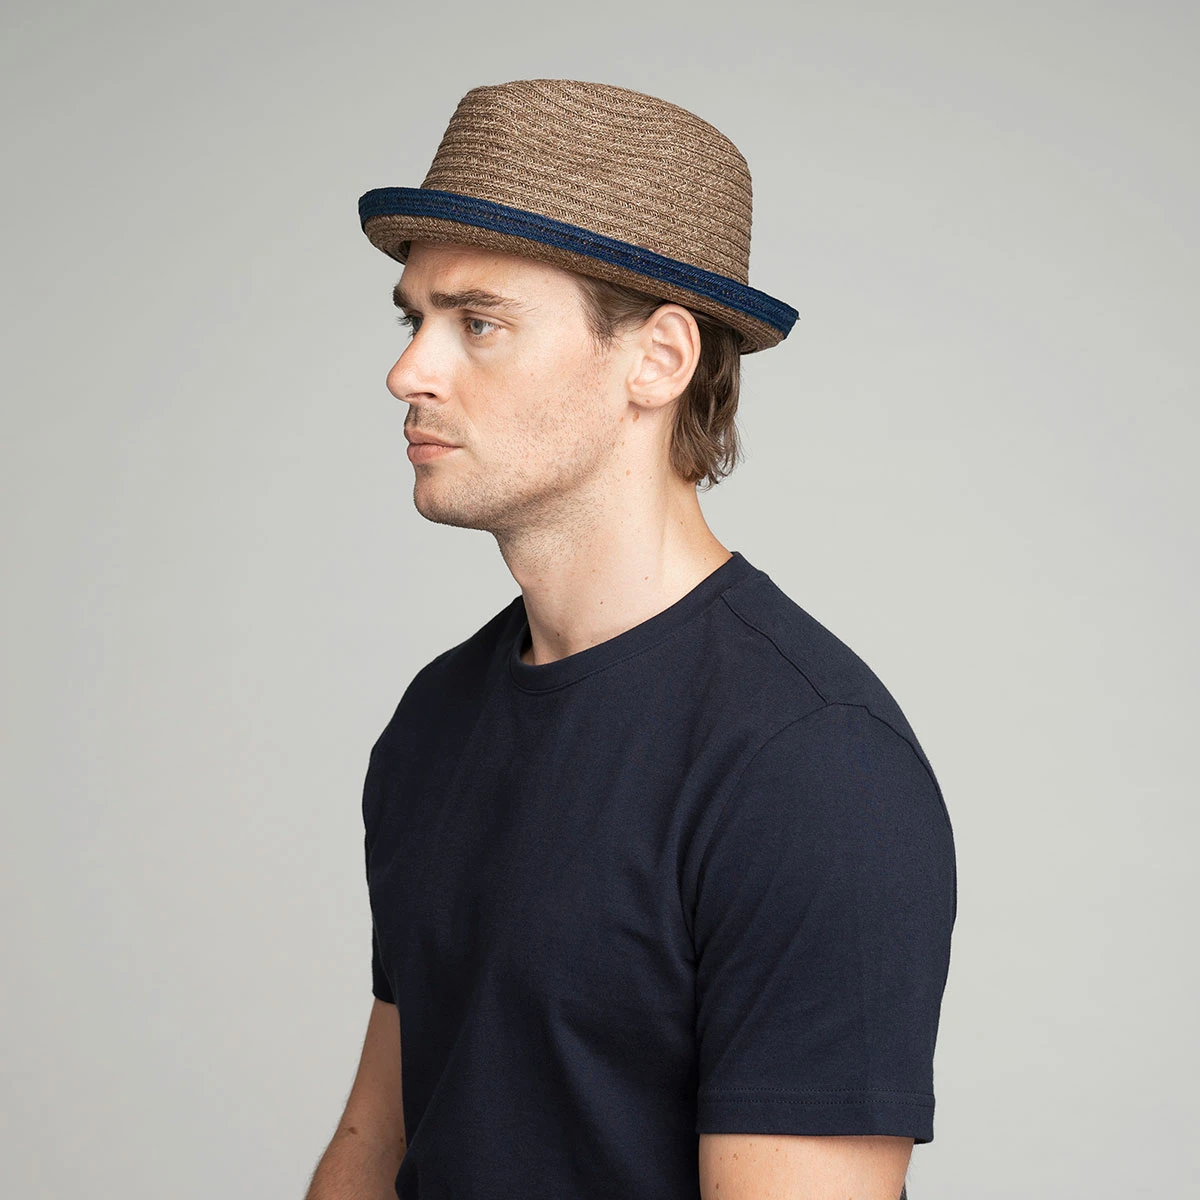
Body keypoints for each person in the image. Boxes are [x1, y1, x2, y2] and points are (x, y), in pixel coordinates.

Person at [304, 79, 956, 1200]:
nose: (408, 371)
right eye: (414, 320)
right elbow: (381, 1136)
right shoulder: (435, 718)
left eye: (478, 322)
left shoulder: (811, 766)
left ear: (659, 358)